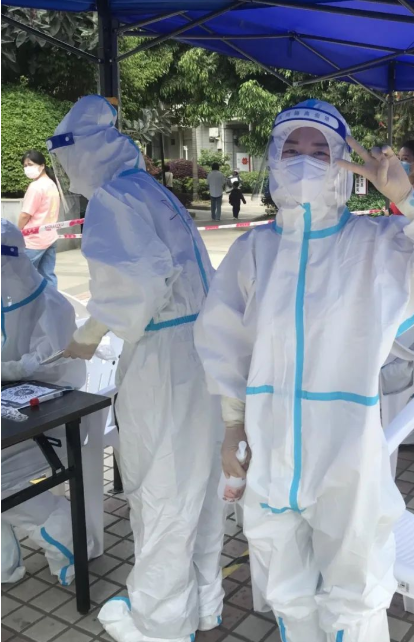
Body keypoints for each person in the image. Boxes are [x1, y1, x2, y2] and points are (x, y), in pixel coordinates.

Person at [194, 99, 414, 642]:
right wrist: (232, 426)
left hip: (346, 450)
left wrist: (407, 199)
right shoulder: (254, 251)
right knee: (285, 589)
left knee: (356, 590)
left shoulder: (375, 244)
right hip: (270, 446)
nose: (304, 161)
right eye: (291, 148)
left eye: (320, 151)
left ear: (343, 165)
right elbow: (225, 344)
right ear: (273, 158)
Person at [48, 95, 225, 642]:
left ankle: (159, 621)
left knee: (162, 488)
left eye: (66, 158)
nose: (66, 171)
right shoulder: (149, 188)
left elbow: (138, 285)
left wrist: (86, 337)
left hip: (164, 358)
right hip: (201, 350)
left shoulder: (113, 199)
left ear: (82, 152)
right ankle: (202, 605)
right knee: (198, 485)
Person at [1, 218, 89, 586]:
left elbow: (57, 370)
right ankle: (6, 564)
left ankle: (66, 537)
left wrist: (15, 370)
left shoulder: (50, 306)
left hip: (55, 422)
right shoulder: (8, 302)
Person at [18, 150, 61, 287]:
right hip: (50, 236)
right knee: (48, 275)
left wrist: (17, 231)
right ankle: (52, 299)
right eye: (25, 165)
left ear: (42, 166)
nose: (27, 168)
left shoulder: (36, 187)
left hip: (34, 240)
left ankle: (27, 301)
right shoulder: (51, 184)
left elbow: (25, 214)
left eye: (30, 164)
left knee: (22, 276)